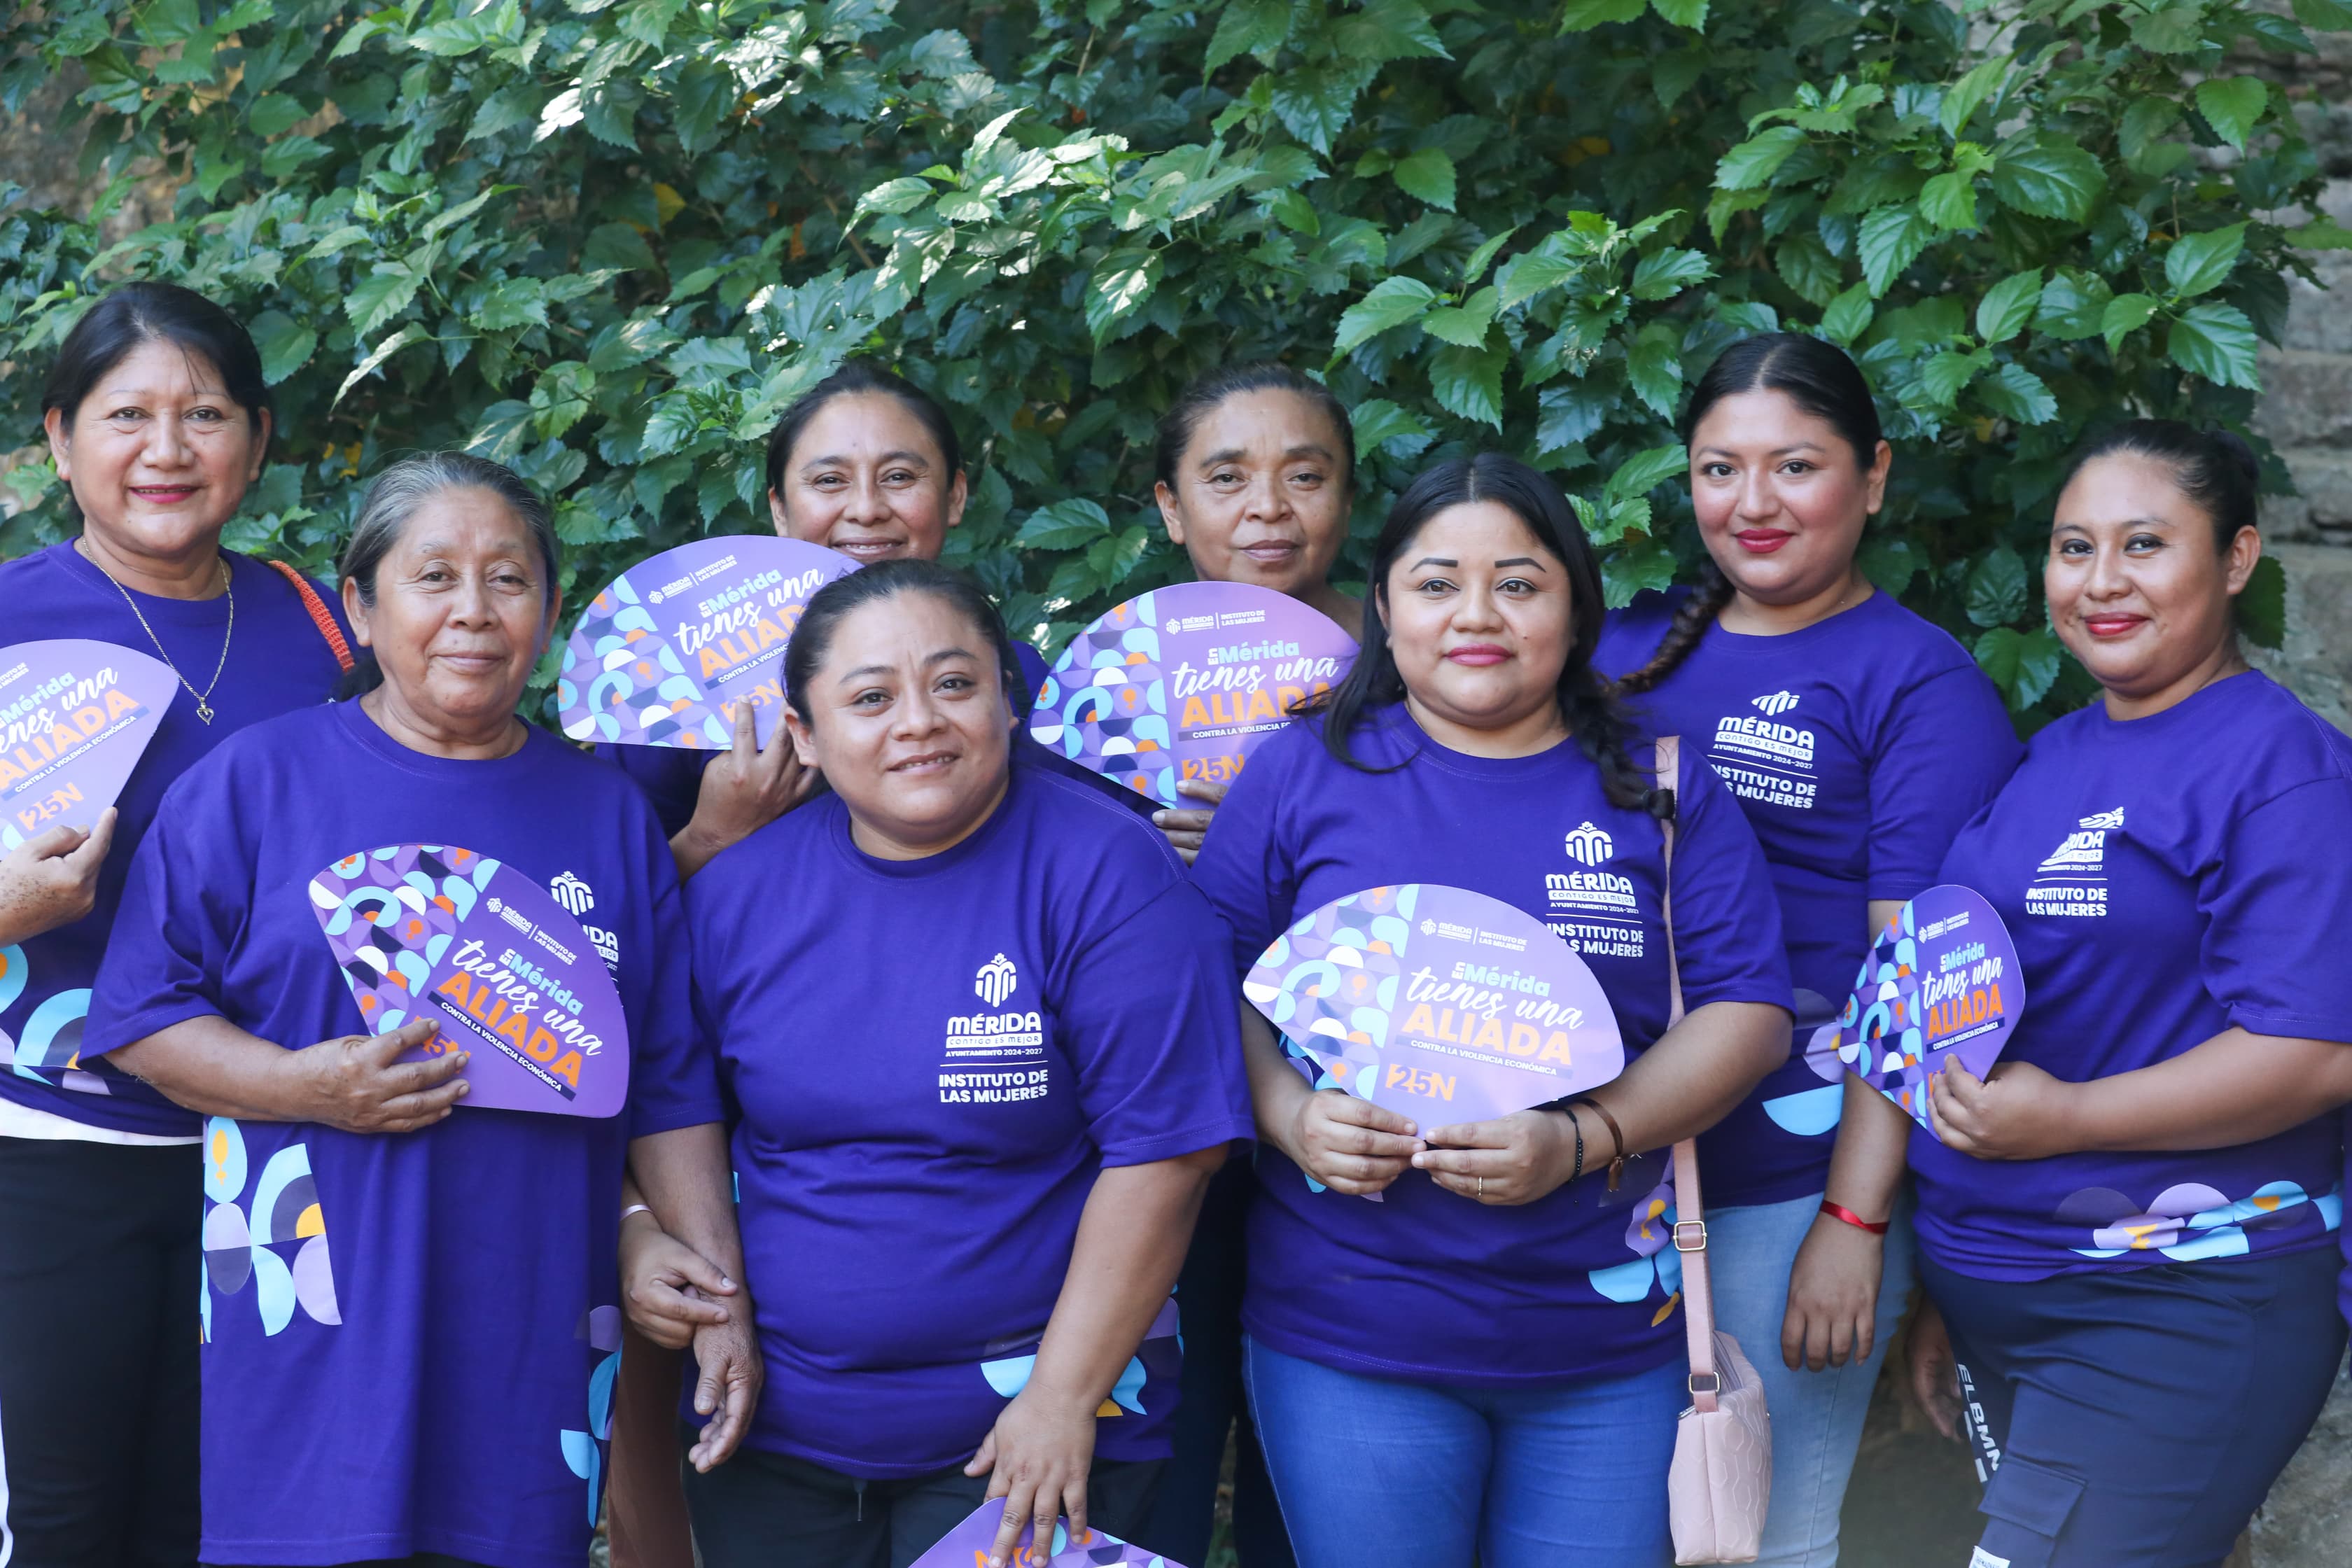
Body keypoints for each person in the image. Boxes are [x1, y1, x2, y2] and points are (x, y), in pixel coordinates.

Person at [81, 452, 755, 1568]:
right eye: (433, 576)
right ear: (361, 604)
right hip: (307, 1309)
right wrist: (309, 1088)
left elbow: (670, 1081)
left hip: (532, 1313)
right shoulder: (256, 786)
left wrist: (717, 1288)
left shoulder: (607, 816)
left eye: (509, 579)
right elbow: (142, 1019)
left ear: (546, 606)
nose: (473, 614)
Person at [1188, 453, 1795, 1568]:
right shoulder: (1302, 772)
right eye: (1435, 584)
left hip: (1607, 1338)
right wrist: (1288, 1117)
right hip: (1351, 1330)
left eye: (1519, 583)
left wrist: (1582, 1139)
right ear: (1382, 607)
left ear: (1575, 609)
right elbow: (1205, 981)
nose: (1477, 615)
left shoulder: (1657, 786)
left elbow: (1747, 1011)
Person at [678, 559, 1254, 1568]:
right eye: (870, 697)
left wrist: (1063, 1398)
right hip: (775, 1432)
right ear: (804, 734)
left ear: (1006, 702)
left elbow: (1169, 1154)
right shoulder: (741, 893)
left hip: (1028, 1429)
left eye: (954, 684)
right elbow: (671, 1103)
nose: (919, 722)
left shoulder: (1109, 871)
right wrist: (668, 1250)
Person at [1877, 421, 2352, 1568]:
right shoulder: (2051, 756)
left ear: (2236, 559)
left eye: (2145, 545)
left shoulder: (2283, 768)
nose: (2101, 583)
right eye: (2072, 547)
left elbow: (2315, 1053)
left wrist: (2066, 1122)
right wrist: (1945, 1273)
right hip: (2004, 1289)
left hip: (2170, 1301)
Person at [1596, 334, 2023, 1567]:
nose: (1753, 503)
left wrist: (1857, 1215)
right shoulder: (1623, 645)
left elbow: (1920, 989)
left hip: (1798, 1175)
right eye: (1719, 469)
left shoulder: (1918, 684)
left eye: (1797, 465)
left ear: (1875, 476)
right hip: (1602, 1164)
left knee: (1763, 1537)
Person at [0, 281, 356, 1565]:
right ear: (58, 439)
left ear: (256, 444)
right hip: (52, 1143)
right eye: (127, 415)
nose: (168, 449)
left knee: (222, 1517)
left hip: (277, 1148)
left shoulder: (324, 624)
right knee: (63, 1521)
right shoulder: (7, 623)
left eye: (205, 414)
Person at [1135, 360, 1364, 1568]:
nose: (1267, 506)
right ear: (1172, 507)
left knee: (1319, 1467)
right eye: (1226, 477)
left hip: (1360, 1130)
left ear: (1347, 496)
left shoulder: (1432, 659)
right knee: (1162, 1444)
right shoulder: (1108, 687)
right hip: (1165, 1121)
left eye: (1304, 473)